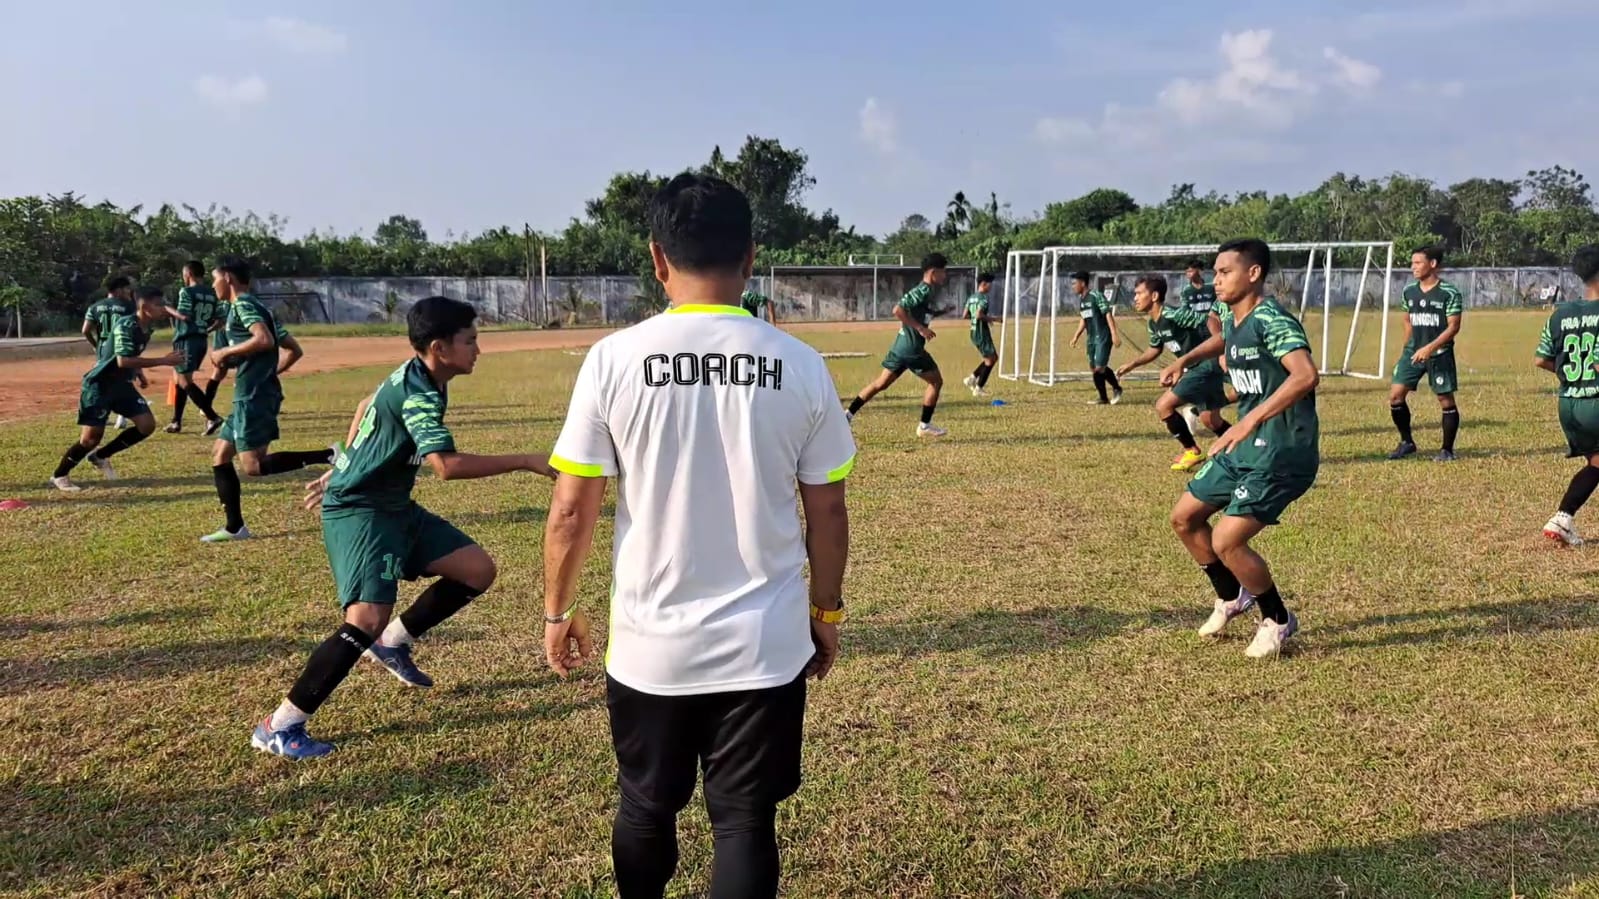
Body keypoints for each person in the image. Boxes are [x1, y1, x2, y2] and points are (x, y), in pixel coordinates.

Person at [542, 172, 853, 899]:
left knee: (645, 804)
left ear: (657, 258)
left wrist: (557, 610)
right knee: (743, 820)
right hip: (764, 641)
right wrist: (827, 613)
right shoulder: (800, 364)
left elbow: (569, 509)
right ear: (750, 255)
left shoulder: (612, 360)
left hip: (652, 644)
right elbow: (828, 511)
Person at [250, 296, 556, 760]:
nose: (478, 350)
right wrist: (526, 460)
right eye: (470, 341)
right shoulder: (420, 392)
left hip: (393, 505)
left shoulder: (423, 374)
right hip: (362, 511)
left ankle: (395, 643)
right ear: (439, 347)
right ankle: (280, 724)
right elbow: (446, 467)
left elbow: (364, 404)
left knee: (476, 570)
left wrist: (348, 460)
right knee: (364, 618)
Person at [1164, 238, 1319, 659]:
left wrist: (1249, 419)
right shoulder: (1233, 319)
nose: (1216, 280)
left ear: (1253, 274)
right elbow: (1222, 343)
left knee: (1227, 542)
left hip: (1283, 451)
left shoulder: (1272, 319)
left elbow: (1305, 375)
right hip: (1244, 446)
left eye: (1225, 272)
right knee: (1184, 519)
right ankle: (1232, 596)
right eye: (1214, 272)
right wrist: (1184, 361)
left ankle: (1278, 619)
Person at [200, 257, 335, 543]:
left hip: (253, 396)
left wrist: (225, 355)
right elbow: (291, 350)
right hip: (249, 393)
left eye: (214, 279)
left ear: (228, 278)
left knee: (253, 466)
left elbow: (263, 340)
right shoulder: (254, 307)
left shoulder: (244, 305)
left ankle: (329, 455)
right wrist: (258, 368)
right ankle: (235, 527)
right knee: (220, 455)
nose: (213, 285)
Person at [50, 287, 182, 491]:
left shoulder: (146, 328)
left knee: (146, 425)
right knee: (90, 439)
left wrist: (138, 372)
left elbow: (130, 354)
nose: (164, 309)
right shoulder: (127, 324)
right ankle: (60, 475)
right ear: (145, 307)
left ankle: (101, 456)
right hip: (100, 385)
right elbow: (123, 360)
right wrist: (163, 361)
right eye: (159, 305)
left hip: (121, 385)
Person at [1115, 275, 1232, 471]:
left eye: (1138, 293)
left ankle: (1192, 451)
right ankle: (1244, 451)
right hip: (1194, 367)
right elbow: (1155, 349)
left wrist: (1222, 351)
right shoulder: (1154, 323)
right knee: (1210, 419)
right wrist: (1132, 364)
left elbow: (1209, 320)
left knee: (1164, 405)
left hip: (1205, 365)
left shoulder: (1174, 315)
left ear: (1154, 296)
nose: (1134, 298)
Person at [843, 253, 950, 437]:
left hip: (901, 346)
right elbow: (898, 310)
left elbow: (922, 314)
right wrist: (920, 329)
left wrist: (940, 312)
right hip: (911, 349)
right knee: (936, 382)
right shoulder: (923, 290)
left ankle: (847, 415)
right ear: (933, 272)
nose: (944, 276)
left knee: (880, 384)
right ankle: (924, 426)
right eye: (943, 272)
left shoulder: (927, 292)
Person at [1536, 245, 1599, 547]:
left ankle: (1563, 517)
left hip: (1569, 403)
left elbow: (1542, 358)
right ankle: (1562, 517)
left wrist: (1572, 378)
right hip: (1595, 402)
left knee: (1597, 463)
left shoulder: (1561, 314)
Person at [1387, 246, 1465, 462]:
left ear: (1432, 264)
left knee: (1445, 400)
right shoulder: (1408, 291)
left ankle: (1447, 450)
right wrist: (1407, 350)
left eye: (1418, 263)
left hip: (1439, 353)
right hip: (1413, 352)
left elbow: (1453, 327)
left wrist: (1429, 348)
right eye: (1412, 263)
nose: (1413, 267)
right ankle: (1407, 442)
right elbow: (1407, 320)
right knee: (1395, 395)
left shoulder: (1449, 293)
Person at [163, 260, 226, 434]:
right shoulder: (213, 293)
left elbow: (184, 315)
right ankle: (176, 421)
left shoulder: (187, 291)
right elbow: (221, 320)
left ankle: (212, 416)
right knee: (178, 379)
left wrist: (167, 309)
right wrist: (205, 329)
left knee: (185, 381)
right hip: (200, 340)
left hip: (187, 339)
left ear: (188, 274)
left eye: (184, 275)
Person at [83, 276, 141, 429]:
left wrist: (95, 345)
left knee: (103, 382)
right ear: (119, 290)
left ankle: (102, 413)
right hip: (121, 348)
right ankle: (122, 417)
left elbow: (86, 330)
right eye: (127, 289)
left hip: (103, 351)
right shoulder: (128, 307)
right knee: (124, 381)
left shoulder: (95, 306)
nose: (129, 292)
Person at [1068, 270, 1123, 404]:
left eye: (1075, 283)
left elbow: (1108, 314)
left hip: (1102, 337)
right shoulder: (1082, 299)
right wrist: (1076, 336)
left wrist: (1114, 334)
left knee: (1099, 368)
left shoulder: (1096, 295)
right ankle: (1103, 398)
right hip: (1091, 338)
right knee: (1095, 368)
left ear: (1082, 283)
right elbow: (1084, 319)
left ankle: (1117, 388)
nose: (1073, 286)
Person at [962, 272, 1001, 396]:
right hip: (981, 332)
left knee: (990, 358)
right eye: (990, 285)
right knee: (992, 359)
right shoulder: (983, 299)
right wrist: (994, 319)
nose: (991, 288)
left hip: (974, 332)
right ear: (984, 284)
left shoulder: (971, 297)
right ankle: (978, 388)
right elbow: (979, 315)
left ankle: (972, 379)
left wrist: (979, 318)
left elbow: (965, 315)